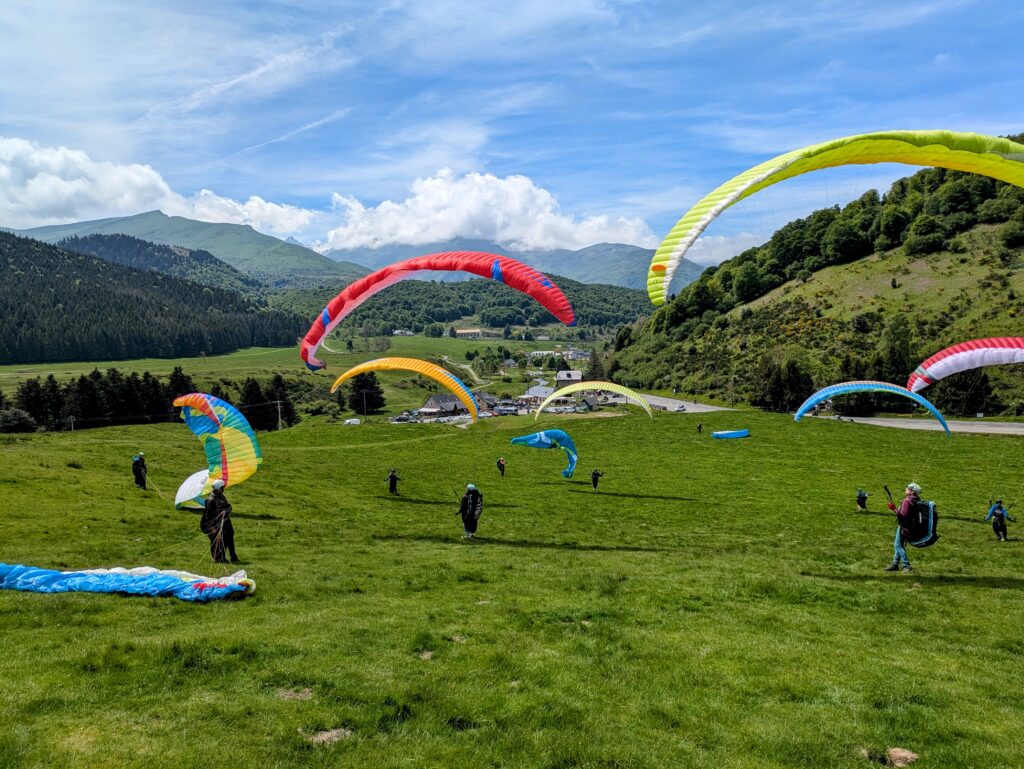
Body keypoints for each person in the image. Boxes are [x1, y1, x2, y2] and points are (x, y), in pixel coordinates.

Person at [200, 479, 238, 564]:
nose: (223, 489)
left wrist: (225, 511)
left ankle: (233, 557)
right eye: (222, 487)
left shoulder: (221, 496)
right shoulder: (211, 500)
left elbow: (229, 506)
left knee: (230, 536)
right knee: (219, 539)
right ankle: (218, 558)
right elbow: (208, 516)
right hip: (216, 524)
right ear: (219, 488)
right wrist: (213, 527)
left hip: (225, 521)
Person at [884, 482, 920, 572]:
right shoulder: (915, 500)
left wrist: (894, 509)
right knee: (900, 544)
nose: (906, 488)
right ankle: (895, 564)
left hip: (904, 526)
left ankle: (906, 565)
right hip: (910, 526)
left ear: (912, 491)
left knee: (897, 545)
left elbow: (903, 515)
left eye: (908, 488)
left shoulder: (907, 501)